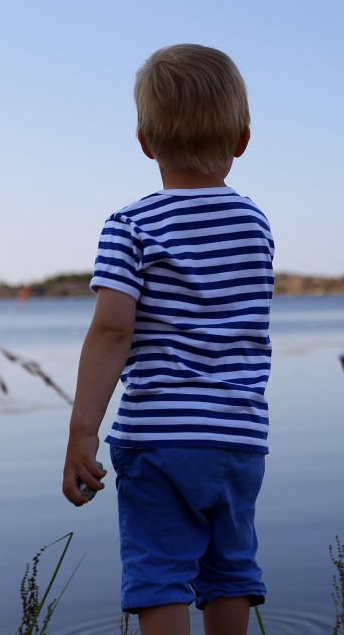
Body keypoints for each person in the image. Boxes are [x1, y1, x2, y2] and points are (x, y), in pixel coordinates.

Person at [62, 44, 274, 635]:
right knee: (230, 571)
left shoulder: (130, 226)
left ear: (145, 141)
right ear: (241, 139)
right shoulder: (254, 224)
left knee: (160, 575)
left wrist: (83, 431)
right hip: (238, 435)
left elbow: (111, 330)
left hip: (160, 435)